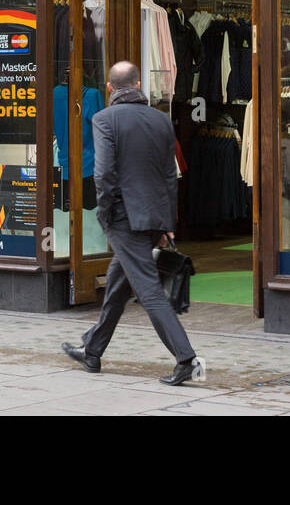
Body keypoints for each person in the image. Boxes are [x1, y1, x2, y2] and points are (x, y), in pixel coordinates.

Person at [62, 61, 200, 386]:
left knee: (149, 291)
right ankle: (92, 350)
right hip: (153, 217)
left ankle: (186, 359)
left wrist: (105, 213)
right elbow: (169, 175)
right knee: (117, 283)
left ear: (110, 88)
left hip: (125, 219)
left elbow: (104, 174)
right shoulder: (160, 119)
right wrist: (167, 222)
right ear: (138, 84)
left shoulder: (104, 119)